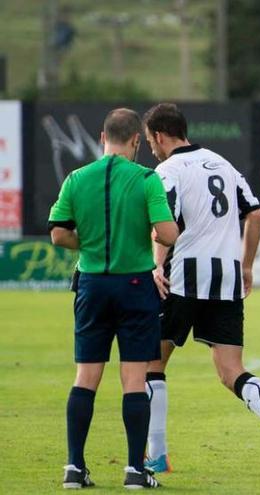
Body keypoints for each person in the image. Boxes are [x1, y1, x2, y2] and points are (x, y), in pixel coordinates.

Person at [141, 103, 260, 476]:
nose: (151, 146)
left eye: (151, 139)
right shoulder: (222, 164)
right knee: (232, 369)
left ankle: (155, 454)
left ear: (159, 135)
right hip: (227, 276)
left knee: (153, 364)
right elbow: (256, 214)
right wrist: (246, 265)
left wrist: (155, 262)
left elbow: (163, 221)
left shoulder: (167, 170)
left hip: (182, 277)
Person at [49, 108, 179, 489]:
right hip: (135, 286)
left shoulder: (76, 178)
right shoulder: (145, 178)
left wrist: (86, 241)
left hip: (91, 283)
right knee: (134, 379)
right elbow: (168, 235)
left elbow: (58, 234)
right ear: (136, 141)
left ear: (102, 138)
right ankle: (135, 471)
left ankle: (74, 468)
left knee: (86, 376)